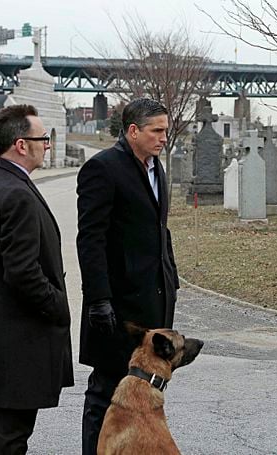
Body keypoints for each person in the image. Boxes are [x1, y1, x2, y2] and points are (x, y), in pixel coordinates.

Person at [0, 104, 74, 454]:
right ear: (22, 145)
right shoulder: (16, 195)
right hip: (17, 341)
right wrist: (57, 305)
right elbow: (23, 272)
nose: (48, 145)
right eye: (44, 138)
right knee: (10, 437)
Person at [76, 98, 179, 454]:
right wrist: (99, 299)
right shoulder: (103, 169)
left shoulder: (156, 168)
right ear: (133, 131)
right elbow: (90, 238)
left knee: (144, 394)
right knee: (106, 392)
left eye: (166, 130)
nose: (165, 137)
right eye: (157, 130)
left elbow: (158, 230)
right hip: (117, 306)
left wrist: (172, 278)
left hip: (154, 299)